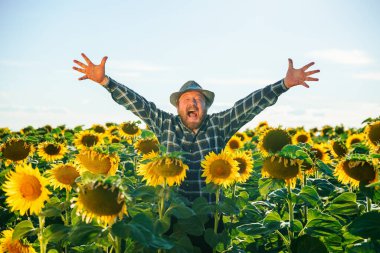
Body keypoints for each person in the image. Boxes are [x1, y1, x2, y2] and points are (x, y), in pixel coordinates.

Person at [73, 53, 319, 251]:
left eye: (198, 99)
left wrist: (284, 84)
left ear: (205, 107)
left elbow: (248, 106)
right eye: (186, 99)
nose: (192, 103)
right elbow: (139, 104)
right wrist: (107, 82)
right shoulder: (164, 124)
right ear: (178, 106)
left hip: (207, 219)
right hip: (170, 216)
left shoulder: (218, 125)